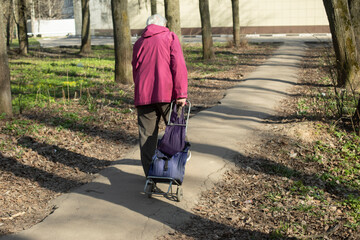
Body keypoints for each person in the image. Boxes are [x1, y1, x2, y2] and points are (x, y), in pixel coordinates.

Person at [132, 14, 188, 176]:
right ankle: (173, 167)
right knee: (176, 129)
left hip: (144, 96)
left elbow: (135, 69)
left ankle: (151, 174)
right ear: (164, 25)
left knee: (147, 136)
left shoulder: (139, 42)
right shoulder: (169, 37)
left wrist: (141, 90)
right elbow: (178, 65)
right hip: (167, 93)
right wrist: (181, 93)